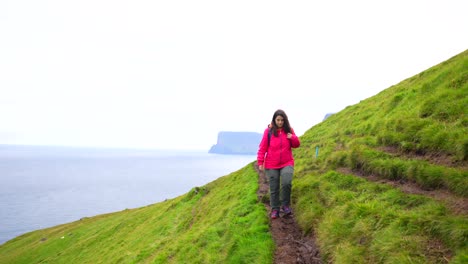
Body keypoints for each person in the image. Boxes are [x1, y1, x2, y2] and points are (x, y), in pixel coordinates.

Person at [257, 109, 300, 219]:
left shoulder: (289, 130)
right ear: (274, 120)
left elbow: (296, 145)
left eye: (282, 120)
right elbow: (263, 148)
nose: (280, 122)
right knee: (274, 187)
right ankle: (275, 209)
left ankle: (285, 206)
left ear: (285, 120)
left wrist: (292, 137)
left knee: (286, 183)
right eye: (278, 120)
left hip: (287, 162)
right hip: (271, 164)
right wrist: (260, 162)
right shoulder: (269, 131)